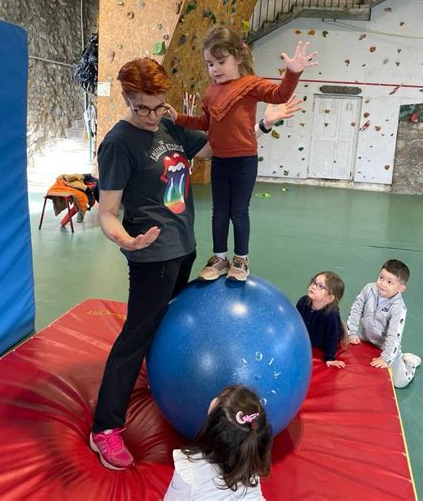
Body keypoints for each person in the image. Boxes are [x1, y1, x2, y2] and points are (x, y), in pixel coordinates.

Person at [89, 57, 302, 470]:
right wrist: (128, 240)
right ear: (126, 98)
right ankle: (105, 428)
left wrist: (262, 123)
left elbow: (215, 147)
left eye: (157, 105)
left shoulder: (167, 126)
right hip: (151, 257)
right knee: (136, 336)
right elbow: (107, 212)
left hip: (183, 249)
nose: (151, 116)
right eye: (141, 108)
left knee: (162, 327)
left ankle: (160, 379)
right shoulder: (118, 143)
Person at [167, 26, 318, 282]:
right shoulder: (211, 92)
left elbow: (280, 94)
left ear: (238, 57)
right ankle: (219, 257)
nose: (214, 69)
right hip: (220, 161)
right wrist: (179, 118)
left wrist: (293, 72)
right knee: (219, 213)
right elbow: (206, 122)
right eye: (209, 63)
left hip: (244, 161)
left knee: (239, 212)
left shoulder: (250, 84)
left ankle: (241, 258)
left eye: (221, 62)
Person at [164, 385, 272, 500]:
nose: (215, 399)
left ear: (213, 429)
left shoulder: (190, 468)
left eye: (219, 399)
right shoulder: (251, 453)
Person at [347, 259, 421, 388]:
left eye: (389, 282)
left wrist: (385, 358)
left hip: (384, 347)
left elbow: (394, 334)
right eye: (381, 277)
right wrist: (352, 333)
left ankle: (410, 362)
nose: (382, 284)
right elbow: (356, 309)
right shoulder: (369, 289)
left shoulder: (398, 307)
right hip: (365, 339)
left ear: (400, 288)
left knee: (399, 383)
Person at [296, 272, 348, 368]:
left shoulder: (331, 315)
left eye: (320, 286)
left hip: (321, 343)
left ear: (329, 298)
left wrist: (330, 358)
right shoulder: (303, 302)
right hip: (308, 339)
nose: (313, 286)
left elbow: (332, 337)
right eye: (314, 282)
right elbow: (296, 322)